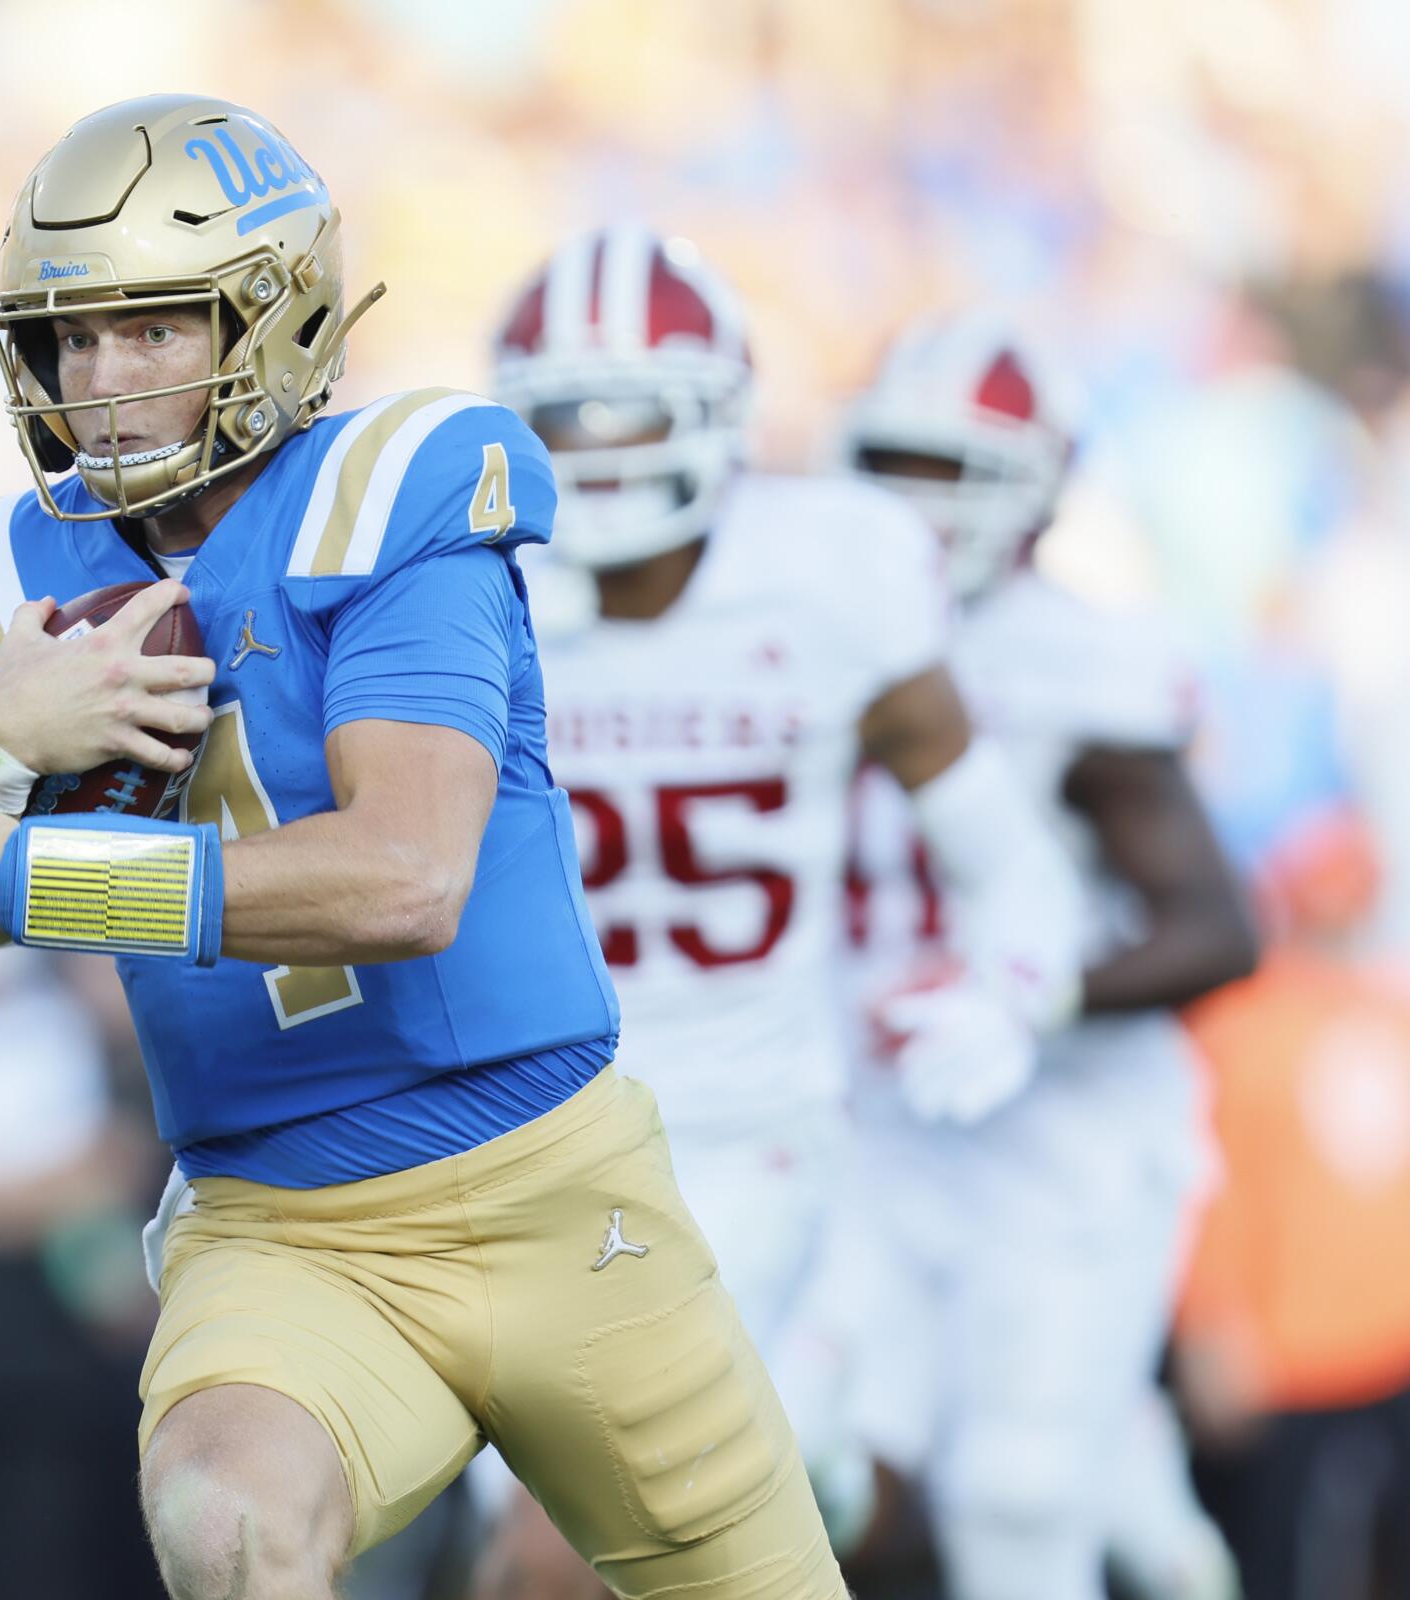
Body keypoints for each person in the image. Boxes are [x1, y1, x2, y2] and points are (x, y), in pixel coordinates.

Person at [0, 95, 842, 1600]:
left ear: (270, 318)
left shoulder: (402, 486)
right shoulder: (12, 580)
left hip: (549, 1190)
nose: (102, 382)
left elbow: (402, 881)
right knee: (228, 1529)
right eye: (70, 339)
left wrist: (19, 875)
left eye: (154, 331)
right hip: (275, 1223)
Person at [464, 227, 1088, 1597]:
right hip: (518, 1136)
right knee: (551, 1552)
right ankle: (812, 1458)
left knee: (561, 1546)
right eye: (566, 417)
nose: (602, 451)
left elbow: (1014, 866)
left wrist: (1011, 992)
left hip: (748, 1135)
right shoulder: (459, 593)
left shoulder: (832, 573)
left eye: (633, 415)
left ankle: (813, 1448)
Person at [836, 312, 1259, 1600]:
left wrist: (1027, 996)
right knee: (812, 1463)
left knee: (1014, 1501)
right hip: (876, 1122)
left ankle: (1118, 1476)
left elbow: (1221, 930)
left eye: (953, 469)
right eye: (898, 461)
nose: (918, 501)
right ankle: (1123, 1450)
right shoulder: (804, 618)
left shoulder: (1086, 663)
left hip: (1065, 1142)